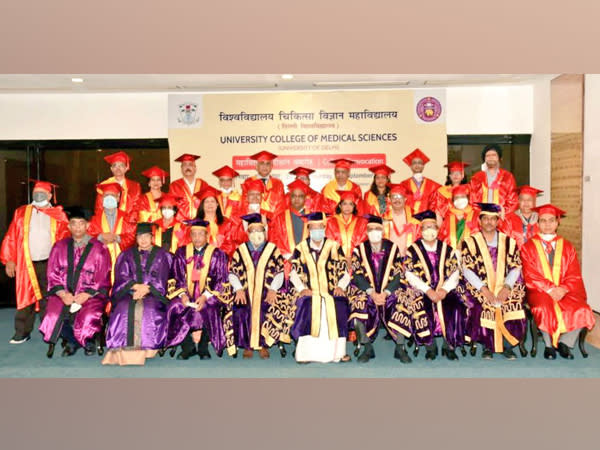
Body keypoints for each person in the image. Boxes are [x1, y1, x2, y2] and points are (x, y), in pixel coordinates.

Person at [520, 204, 596, 359]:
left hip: (564, 290)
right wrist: (550, 289)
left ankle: (565, 343)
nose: (547, 224)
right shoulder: (528, 246)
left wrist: (563, 289)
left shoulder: (567, 246)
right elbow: (529, 273)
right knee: (544, 307)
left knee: (581, 308)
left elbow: (573, 272)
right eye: (543, 220)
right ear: (538, 223)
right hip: (539, 290)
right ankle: (549, 346)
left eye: (551, 220)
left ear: (557, 223)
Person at [1, 180, 69, 344]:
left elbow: (65, 240)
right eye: (36, 192)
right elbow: (12, 236)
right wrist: (10, 260)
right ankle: (22, 331)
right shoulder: (22, 212)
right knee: (26, 298)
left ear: (50, 195)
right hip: (26, 263)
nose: (39, 195)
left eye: (43, 192)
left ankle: (51, 330)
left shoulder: (58, 215)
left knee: (50, 297)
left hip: (50, 263)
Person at [39, 206, 111, 357]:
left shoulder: (100, 248)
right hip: (63, 293)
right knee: (51, 315)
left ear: (87, 226)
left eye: (81, 223)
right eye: (74, 223)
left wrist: (87, 294)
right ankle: (80, 341)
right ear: (69, 226)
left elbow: (103, 276)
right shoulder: (59, 246)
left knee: (89, 316)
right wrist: (63, 294)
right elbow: (52, 273)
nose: (78, 227)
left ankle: (75, 342)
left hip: (91, 294)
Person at [461, 203, 526, 360]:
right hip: (479, 287)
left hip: (505, 285)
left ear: (498, 221)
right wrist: (485, 290)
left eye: (493, 219)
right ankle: (487, 346)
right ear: (480, 221)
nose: (489, 222)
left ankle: (507, 345)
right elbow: (467, 270)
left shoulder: (509, 242)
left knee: (512, 302)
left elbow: (516, 267)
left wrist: (507, 287)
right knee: (483, 304)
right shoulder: (470, 242)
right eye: (486, 219)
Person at [102, 223, 173, 366]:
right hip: (130, 292)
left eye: (147, 236)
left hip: (154, 293)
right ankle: (119, 348)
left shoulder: (162, 255)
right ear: (136, 238)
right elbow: (121, 276)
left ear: (152, 237)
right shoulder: (126, 254)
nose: (144, 240)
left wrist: (147, 288)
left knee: (148, 310)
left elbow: (164, 278)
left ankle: (148, 349)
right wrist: (134, 287)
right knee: (123, 309)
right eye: (140, 237)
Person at [288, 212, 352, 363]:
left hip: (331, 291)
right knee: (307, 304)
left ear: (324, 228)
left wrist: (340, 286)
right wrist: (301, 289)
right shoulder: (301, 248)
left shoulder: (334, 247)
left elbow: (345, 272)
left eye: (320, 227)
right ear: (309, 229)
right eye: (313, 228)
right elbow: (293, 273)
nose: (317, 231)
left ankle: (338, 353)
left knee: (339, 304)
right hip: (309, 291)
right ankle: (304, 355)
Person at [403, 210, 466, 360]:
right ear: (421, 230)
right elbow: (409, 274)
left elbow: (455, 272)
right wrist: (428, 290)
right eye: (426, 227)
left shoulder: (447, 249)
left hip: (445, 289)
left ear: (438, 230)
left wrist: (444, 289)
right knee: (420, 308)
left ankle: (449, 345)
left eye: (433, 227)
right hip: (422, 290)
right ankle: (430, 346)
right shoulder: (413, 250)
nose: (429, 230)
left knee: (455, 306)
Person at [165, 219, 230, 360]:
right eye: (194, 234)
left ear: (207, 236)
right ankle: (187, 347)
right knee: (175, 306)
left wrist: (205, 296)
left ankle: (203, 347)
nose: (197, 238)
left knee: (210, 307)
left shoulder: (217, 254)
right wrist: (182, 295)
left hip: (208, 295)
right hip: (186, 294)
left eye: (200, 234)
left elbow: (221, 279)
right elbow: (175, 276)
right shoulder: (182, 252)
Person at [227, 213, 285, 359]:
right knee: (241, 309)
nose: (256, 234)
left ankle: (263, 344)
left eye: (260, 230)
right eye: (253, 231)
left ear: (265, 232)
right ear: (248, 233)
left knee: (266, 308)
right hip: (245, 291)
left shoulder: (273, 249)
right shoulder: (241, 250)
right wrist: (238, 289)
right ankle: (247, 345)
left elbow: (280, 271)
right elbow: (233, 272)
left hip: (267, 290)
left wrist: (273, 289)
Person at [349, 215, 404, 362]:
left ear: (383, 231)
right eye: (371, 229)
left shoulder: (392, 248)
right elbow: (357, 274)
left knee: (401, 301)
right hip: (367, 290)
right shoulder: (359, 249)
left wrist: (386, 293)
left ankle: (400, 347)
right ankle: (367, 347)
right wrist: (371, 292)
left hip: (389, 290)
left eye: (377, 229)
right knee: (358, 303)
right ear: (366, 232)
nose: (374, 232)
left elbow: (398, 274)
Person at [88, 183, 135, 279]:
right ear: (102, 198)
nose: (109, 198)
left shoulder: (127, 217)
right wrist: (100, 237)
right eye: (106, 196)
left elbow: (132, 237)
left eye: (112, 195)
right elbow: (88, 237)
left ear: (118, 198)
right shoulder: (94, 219)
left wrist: (117, 238)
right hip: (100, 261)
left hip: (123, 260)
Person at [469, 144, 518, 217]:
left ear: (499, 158)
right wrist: (480, 215)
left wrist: (503, 212)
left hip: (502, 218)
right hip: (482, 220)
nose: (490, 157)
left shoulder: (508, 177)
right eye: (487, 156)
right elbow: (472, 200)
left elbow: (513, 200)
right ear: (484, 159)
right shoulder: (476, 178)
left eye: (494, 155)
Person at [94, 151, 141, 223]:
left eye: (121, 165)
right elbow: (99, 207)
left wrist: (129, 222)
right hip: (108, 221)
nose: (118, 168)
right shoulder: (104, 185)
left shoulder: (134, 186)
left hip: (128, 222)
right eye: (114, 165)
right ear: (111, 169)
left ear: (126, 168)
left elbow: (136, 206)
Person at [269, 180, 311, 260]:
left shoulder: (311, 217)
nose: (297, 199)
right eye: (294, 196)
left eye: (300, 196)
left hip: (308, 262)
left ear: (305, 198)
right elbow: (275, 239)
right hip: (285, 261)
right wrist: (287, 256)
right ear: (289, 197)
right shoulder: (280, 218)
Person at [193, 186, 237, 258]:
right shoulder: (195, 223)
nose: (210, 204)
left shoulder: (226, 222)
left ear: (217, 204)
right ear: (202, 205)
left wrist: (216, 257)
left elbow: (230, 244)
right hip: (200, 260)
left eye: (212, 201)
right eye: (207, 201)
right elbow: (191, 242)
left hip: (221, 261)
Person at [325, 190, 368, 263]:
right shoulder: (330, 221)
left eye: (351, 204)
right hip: (337, 261)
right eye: (345, 204)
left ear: (354, 206)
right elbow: (329, 242)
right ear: (340, 205)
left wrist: (353, 257)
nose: (347, 207)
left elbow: (363, 242)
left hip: (357, 260)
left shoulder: (362, 222)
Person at [168, 153, 210, 221]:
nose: (187, 167)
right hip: (181, 223)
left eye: (190, 165)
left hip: (200, 223)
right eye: (184, 165)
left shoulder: (203, 184)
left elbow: (208, 204)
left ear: (195, 168)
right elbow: (171, 206)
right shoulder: (175, 185)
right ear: (181, 169)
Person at [399, 148, 441, 215]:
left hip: (427, 219)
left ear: (423, 166)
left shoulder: (433, 185)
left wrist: (429, 217)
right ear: (410, 166)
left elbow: (435, 204)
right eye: (414, 163)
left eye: (420, 163)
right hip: (409, 218)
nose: (417, 165)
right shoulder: (403, 184)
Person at [246, 150, 286, 219]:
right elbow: (245, 203)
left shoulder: (278, 183)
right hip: (254, 221)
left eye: (268, 164)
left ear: (271, 166)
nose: (265, 166)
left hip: (274, 221)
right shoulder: (249, 182)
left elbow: (281, 205)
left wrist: (272, 219)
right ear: (256, 166)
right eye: (262, 163)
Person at [439, 184, 480, 250]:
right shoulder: (448, 216)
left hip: (471, 254)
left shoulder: (476, 215)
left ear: (468, 198)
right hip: (452, 255)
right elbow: (442, 236)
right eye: (456, 197)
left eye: (463, 196)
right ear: (452, 201)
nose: (460, 200)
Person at [383, 183, 419, 256]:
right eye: (394, 197)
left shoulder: (414, 216)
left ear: (405, 199)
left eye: (400, 197)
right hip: (390, 257)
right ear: (389, 199)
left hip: (409, 257)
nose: (397, 200)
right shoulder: (384, 217)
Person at [502, 185, 543, 249]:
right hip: (516, 257)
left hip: (537, 257)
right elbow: (504, 243)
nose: (526, 203)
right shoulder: (509, 220)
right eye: (522, 199)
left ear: (534, 201)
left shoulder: (541, 219)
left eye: (529, 200)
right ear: (518, 201)